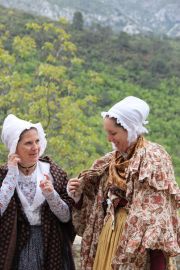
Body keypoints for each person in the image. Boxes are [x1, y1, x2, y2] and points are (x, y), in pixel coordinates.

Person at [67, 96, 180, 270]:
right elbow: (95, 207)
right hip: (109, 237)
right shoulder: (110, 162)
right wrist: (78, 194)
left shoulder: (153, 159)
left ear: (130, 129)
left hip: (136, 247)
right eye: (108, 133)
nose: (109, 139)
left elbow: (157, 220)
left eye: (113, 133)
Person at [0, 114, 75, 270]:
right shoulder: (3, 175)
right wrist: (11, 175)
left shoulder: (54, 172)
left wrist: (51, 195)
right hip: (16, 248)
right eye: (28, 143)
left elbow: (66, 216)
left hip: (51, 245)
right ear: (15, 146)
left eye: (37, 141)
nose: (35, 147)